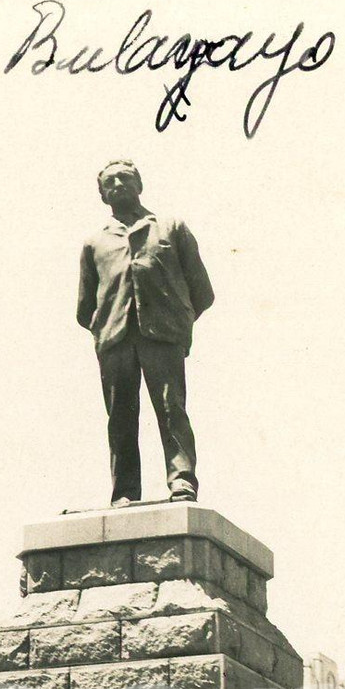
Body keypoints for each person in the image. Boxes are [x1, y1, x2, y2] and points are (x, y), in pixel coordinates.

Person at [77, 160, 214, 505]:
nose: (118, 184)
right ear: (103, 195)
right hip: (115, 339)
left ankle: (182, 480)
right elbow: (84, 307)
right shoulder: (94, 243)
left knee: (171, 409)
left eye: (125, 178)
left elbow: (202, 290)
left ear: (140, 184)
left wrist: (177, 321)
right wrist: (106, 327)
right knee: (120, 416)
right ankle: (124, 491)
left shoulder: (170, 227)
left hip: (162, 335)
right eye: (110, 182)